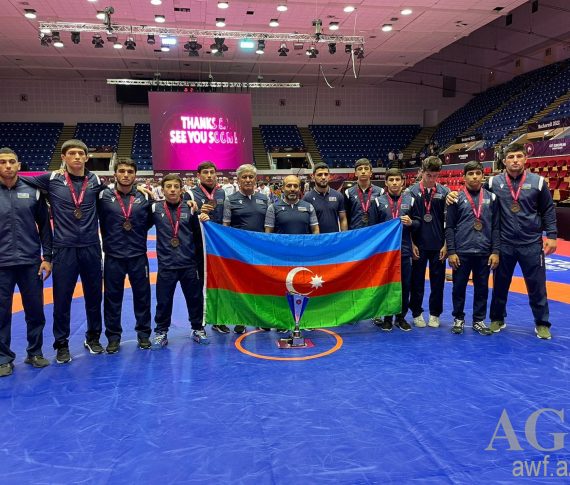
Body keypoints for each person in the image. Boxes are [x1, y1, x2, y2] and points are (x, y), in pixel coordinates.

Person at [447, 144, 557, 339]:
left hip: (531, 242)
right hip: (504, 243)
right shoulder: (493, 182)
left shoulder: (538, 182)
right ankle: (497, 318)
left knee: (537, 285)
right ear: (504, 161)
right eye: (511, 157)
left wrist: (552, 235)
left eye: (519, 156)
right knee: (500, 284)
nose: (515, 160)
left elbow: (548, 209)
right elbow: (473, 194)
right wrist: (452, 194)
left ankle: (542, 323)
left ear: (525, 159)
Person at [22, 139, 106, 364]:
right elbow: (18, 178)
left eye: (80, 153)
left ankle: (93, 337)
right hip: (64, 249)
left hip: (91, 248)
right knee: (62, 299)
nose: (77, 157)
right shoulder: (51, 179)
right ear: (63, 157)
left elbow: (116, 193)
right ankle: (61, 344)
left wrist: (142, 190)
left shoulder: (95, 180)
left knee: (94, 297)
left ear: (86, 157)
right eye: (72, 153)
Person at [0, 148, 52, 377]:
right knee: (1, 313)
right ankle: (3, 358)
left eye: (12, 162)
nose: (7, 166)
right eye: (2, 162)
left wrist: (47, 257)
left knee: (35, 310)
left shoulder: (33, 191)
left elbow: (45, 227)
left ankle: (35, 352)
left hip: (31, 262)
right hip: (1, 263)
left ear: (19, 165)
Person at [97, 158, 153, 353]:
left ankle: (144, 334)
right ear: (115, 174)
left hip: (138, 255)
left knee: (142, 297)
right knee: (112, 298)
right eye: (122, 171)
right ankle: (113, 337)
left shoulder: (145, 197)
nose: (126, 175)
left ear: (135, 175)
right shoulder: (103, 195)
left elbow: (152, 219)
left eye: (130, 172)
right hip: (113, 256)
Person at [151, 174, 208, 348]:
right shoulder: (154, 208)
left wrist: (199, 263)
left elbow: (198, 236)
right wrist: (139, 188)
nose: (172, 190)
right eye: (168, 186)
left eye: (176, 186)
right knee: (163, 300)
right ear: (162, 190)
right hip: (166, 264)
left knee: (195, 298)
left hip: (188, 263)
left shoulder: (190, 208)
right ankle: (161, 331)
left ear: (181, 190)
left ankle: (197, 328)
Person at [445, 161, 500, 336]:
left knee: (482, 288)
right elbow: (449, 227)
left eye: (477, 173)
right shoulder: (456, 198)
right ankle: (458, 318)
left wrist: (495, 251)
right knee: (458, 287)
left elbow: (496, 227)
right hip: (462, 252)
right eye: (470, 174)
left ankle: (478, 320)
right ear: (464, 177)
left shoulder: (492, 198)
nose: (474, 177)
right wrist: (451, 251)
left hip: (484, 251)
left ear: (483, 176)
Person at [222, 164, 269, 334]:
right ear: (238, 179)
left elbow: (269, 226)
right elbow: (226, 226)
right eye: (244, 177)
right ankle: (240, 320)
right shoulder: (230, 200)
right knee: (240, 286)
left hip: (260, 251)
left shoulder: (264, 199)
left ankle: (261, 319)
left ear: (256, 179)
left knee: (261, 285)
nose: (248, 180)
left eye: (251, 177)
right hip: (239, 252)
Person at [371, 168, 415, 332]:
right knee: (387, 285)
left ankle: (401, 318)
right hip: (385, 253)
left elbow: (418, 223)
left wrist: (411, 222)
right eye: (391, 180)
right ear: (386, 183)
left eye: (397, 179)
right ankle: (387, 318)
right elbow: (373, 228)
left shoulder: (411, 200)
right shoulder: (378, 202)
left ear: (402, 182)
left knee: (405, 286)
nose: (394, 183)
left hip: (404, 250)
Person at [408, 156, 449, 329]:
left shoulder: (445, 192)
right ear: (421, 172)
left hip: (438, 245)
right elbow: (407, 221)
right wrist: (411, 244)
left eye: (435, 176)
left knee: (438, 282)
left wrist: (446, 244)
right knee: (416, 281)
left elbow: (449, 222)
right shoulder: (410, 192)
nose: (432, 179)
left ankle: (434, 314)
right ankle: (417, 313)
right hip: (418, 245)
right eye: (428, 175)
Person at [303, 162, 348, 233]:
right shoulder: (307, 198)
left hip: (333, 237)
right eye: (320, 174)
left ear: (329, 176)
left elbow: (343, 219)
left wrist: (344, 236)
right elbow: (305, 222)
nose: (323, 177)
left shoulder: (338, 195)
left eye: (326, 174)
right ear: (313, 176)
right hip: (316, 238)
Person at [344, 158, 384, 229]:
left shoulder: (380, 192)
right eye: (360, 169)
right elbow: (346, 217)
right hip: (355, 232)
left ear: (371, 173)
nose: (363, 171)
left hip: (374, 232)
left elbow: (382, 216)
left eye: (366, 168)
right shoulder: (348, 192)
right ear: (355, 173)